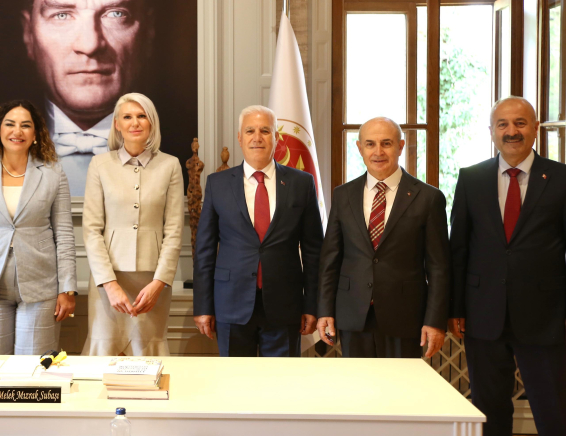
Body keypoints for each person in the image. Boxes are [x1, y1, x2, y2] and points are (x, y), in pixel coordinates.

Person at [449, 97, 566, 436]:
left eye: (520, 123)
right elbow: (458, 248)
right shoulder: (471, 178)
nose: (511, 131)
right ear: (491, 131)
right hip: (482, 313)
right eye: (502, 124)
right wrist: (455, 308)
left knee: (554, 408)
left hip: (546, 315)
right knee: (489, 406)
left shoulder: (561, 178)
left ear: (535, 128)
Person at [21, 0, 153, 196]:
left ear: (148, 33)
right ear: (29, 34)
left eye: (116, 14)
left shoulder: (177, 158)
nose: (91, 44)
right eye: (62, 15)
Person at [193, 105, 323, 357]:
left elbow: (313, 251)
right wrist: (203, 306)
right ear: (239, 138)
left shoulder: (301, 183)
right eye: (250, 131)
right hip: (230, 303)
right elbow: (204, 251)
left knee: (281, 379)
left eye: (265, 130)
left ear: (276, 137)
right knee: (235, 378)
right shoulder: (217, 184)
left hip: (285, 305)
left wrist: (312, 304)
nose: (257, 137)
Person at [317, 117, 449, 359]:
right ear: (360, 148)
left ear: (400, 146)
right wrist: (325, 310)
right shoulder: (343, 195)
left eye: (386, 143)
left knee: (401, 383)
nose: (378, 152)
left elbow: (439, 267)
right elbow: (330, 260)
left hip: (405, 317)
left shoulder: (428, 198)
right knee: (356, 382)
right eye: (370, 144)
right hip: (352, 314)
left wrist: (435, 321)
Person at [0, 100, 76, 355]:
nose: (17, 131)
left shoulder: (53, 172)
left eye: (25, 125)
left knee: (32, 369)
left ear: (35, 133)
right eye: (10, 124)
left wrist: (67, 288)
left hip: (41, 286)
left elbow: (64, 235)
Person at [81, 93, 183, 356]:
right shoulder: (99, 165)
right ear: (117, 124)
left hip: (152, 283)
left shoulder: (170, 165)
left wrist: (159, 283)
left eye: (141, 116)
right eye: (127, 117)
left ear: (151, 123)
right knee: (104, 354)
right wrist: (109, 284)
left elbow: (173, 232)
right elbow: (91, 230)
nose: (135, 123)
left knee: (148, 356)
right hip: (108, 280)